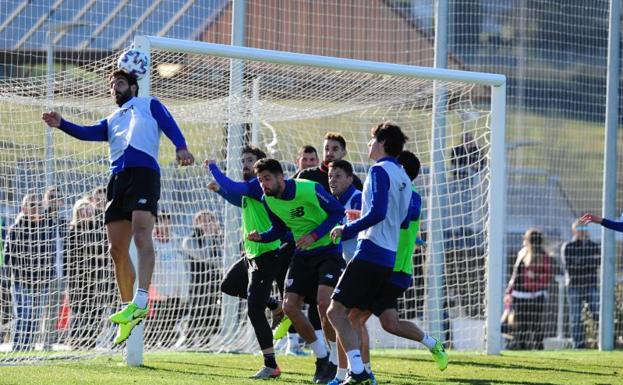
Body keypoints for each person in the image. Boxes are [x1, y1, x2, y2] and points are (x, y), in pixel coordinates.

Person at [41, 69, 195, 345]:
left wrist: (181, 147)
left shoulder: (150, 104)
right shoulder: (112, 119)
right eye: (112, 85)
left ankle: (142, 298)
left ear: (134, 87)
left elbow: (169, 124)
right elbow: (87, 133)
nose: (115, 88)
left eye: (120, 83)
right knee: (116, 250)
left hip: (144, 174)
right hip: (118, 180)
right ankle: (129, 309)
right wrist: (61, 123)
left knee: (141, 234)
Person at [328, 122, 412, 384]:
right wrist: (364, 217)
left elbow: (377, 213)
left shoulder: (378, 170)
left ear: (383, 143)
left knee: (334, 312)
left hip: (371, 250)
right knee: (353, 317)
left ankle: (358, 371)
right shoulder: (403, 176)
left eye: (372, 139)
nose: (368, 144)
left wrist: (347, 227)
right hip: (388, 256)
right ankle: (358, 371)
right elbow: (404, 219)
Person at [248, 158, 345, 383]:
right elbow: (279, 230)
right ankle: (323, 357)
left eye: (267, 179)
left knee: (323, 303)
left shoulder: (309, 188)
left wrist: (314, 235)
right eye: (260, 180)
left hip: (328, 251)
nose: (263, 184)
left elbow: (337, 211)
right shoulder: (267, 200)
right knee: (289, 306)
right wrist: (262, 237)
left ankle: (336, 362)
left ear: (281, 177)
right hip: (302, 255)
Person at [207, 146, 295, 379]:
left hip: (266, 254)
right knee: (229, 285)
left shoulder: (258, 184)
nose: (245, 164)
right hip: (252, 254)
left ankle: (271, 364)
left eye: (250, 161)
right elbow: (237, 198)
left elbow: (235, 188)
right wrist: (221, 192)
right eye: (243, 160)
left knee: (254, 310)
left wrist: (213, 167)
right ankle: (276, 307)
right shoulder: (253, 189)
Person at [4, 193, 53, 351]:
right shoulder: (16, 228)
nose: (36, 208)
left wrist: (47, 274)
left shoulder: (46, 228)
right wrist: (9, 278)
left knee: (35, 318)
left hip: (42, 282)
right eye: (32, 205)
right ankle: (18, 347)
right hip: (22, 282)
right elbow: (8, 256)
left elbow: (49, 255)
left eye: (39, 205)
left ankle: (29, 347)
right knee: (23, 316)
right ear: (23, 208)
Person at [64, 197, 111, 349]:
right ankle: (75, 342)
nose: (86, 211)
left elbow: (105, 252)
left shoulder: (99, 230)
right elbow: (69, 257)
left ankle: (90, 341)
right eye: (82, 209)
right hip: (78, 280)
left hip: (96, 278)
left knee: (96, 311)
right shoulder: (73, 231)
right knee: (79, 312)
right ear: (77, 212)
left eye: (88, 208)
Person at [144, 211, 189, 348]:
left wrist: (183, 290)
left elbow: (182, 267)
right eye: (159, 221)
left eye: (166, 221)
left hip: (175, 288)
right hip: (157, 289)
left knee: (171, 319)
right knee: (154, 320)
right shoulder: (150, 241)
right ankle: (149, 343)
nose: (163, 225)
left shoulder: (177, 240)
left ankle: (167, 343)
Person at [504, 228, 553, 350]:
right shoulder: (522, 253)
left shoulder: (544, 257)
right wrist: (509, 292)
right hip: (519, 295)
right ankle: (521, 348)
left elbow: (547, 277)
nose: (523, 240)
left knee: (536, 325)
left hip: (535, 296)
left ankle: (538, 348)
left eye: (525, 238)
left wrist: (535, 282)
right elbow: (515, 274)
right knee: (520, 325)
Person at [181, 209, 223, 346]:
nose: (206, 224)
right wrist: (209, 238)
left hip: (216, 282)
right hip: (198, 284)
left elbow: (225, 259)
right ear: (196, 223)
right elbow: (204, 257)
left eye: (209, 220)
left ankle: (206, 341)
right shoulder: (189, 240)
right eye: (203, 221)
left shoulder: (221, 240)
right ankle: (188, 340)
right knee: (196, 311)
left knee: (212, 312)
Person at [560, 220, 600, 348]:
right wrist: (586, 263)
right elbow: (570, 267)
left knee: (597, 314)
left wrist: (580, 262)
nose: (582, 230)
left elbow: (596, 264)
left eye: (584, 227)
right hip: (574, 286)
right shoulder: (568, 247)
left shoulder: (594, 246)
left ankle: (601, 342)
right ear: (574, 230)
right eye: (579, 227)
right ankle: (578, 345)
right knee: (575, 317)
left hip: (591, 285)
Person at [41, 186, 67, 349]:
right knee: (35, 309)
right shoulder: (40, 220)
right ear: (46, 200)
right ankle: (26, 341)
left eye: (58, 197)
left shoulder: (63, 223)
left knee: (53, 310)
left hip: (59, 273)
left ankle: (47, 343)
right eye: (52, 197)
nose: (55, 200)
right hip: (41, 272)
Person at [297, 132, 363, 191]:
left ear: (344, 153)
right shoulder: (306, 176)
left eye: (335, 149)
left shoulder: (352, 181)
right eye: (326, 149)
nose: (329, 153)